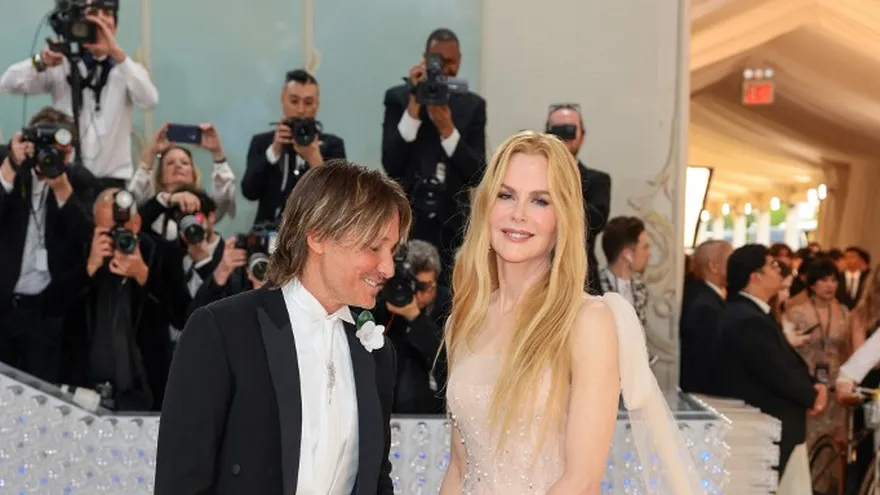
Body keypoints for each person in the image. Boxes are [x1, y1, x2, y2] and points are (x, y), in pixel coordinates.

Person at [438, 131, 701, 494]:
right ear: (485, 206)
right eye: (506, 195)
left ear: (563, 217)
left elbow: (582, 480)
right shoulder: (463, 321)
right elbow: (458, 466)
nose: (518, 214)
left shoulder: (588, 322)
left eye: (540, 201)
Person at [154, 159, 411, 494]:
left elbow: (375, 480)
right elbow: (181, 481)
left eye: (392, 250)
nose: (388, 268)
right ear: (318, 236)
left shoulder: (377, 353)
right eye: (374, 247)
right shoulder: (222, 331)